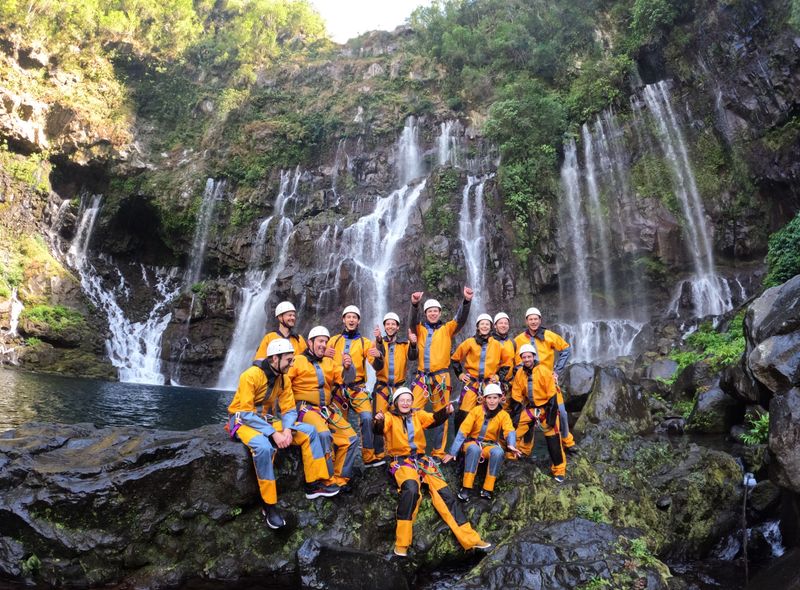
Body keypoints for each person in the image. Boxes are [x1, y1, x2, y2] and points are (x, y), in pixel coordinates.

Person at [226, 338, 338, 531]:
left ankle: (313, 484)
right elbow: (245, 413)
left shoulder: (283, 378)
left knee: (309, 431)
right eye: (288, 359)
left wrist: (286, 430)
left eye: (292, 359)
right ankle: (268, 506)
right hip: (242, 420)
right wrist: (273, 434)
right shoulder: (250, 376)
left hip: (265, 419)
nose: (292, 363)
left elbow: (288, 410)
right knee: (264, 447)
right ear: (274, 359)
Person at [373, 387, 491, 557]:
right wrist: (378, 420)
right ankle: (402, 543)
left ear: (412, 402)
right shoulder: (389, 417)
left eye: (408, 400)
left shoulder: (417, 414)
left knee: (446, 495)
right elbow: (379, 429)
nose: (405, 403)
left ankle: (471, 539)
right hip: (401, 462)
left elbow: (433, 419)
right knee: (411, 491)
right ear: (395, 402)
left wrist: (446, 411)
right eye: (402, 400)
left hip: (422, 460)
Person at [288, 326, 360, 490]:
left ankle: (340, 478)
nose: (323, 345)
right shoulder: (298, 360)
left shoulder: (329, 362)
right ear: (310, 342)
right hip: (305, 409)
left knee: (351, 438)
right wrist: (286, 412)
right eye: (320, 341)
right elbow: (284, 385)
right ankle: (325, 480)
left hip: (325, 410)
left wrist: (349, 367)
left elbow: (346, 380)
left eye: (326, 342)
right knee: (323, 434)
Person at [409, 287, 472, 458]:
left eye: (435, 311)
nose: (433, 314)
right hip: (422, 376)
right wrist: (414, 304)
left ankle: (438, 451)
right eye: (429, 311)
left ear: (440, 313)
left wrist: (466, 301)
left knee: (442, 413)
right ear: (425, 313)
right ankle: (414, 447)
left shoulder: (447, 329)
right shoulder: (419, 329)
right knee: (412, 410)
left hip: (441, 376)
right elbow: (411, 321)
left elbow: (461, 319)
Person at [327, 305, 386, 468]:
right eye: (348, 317)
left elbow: (377, 365)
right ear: (343, 319)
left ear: (359, 321)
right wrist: (324, 353)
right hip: (338, 390)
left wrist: (379, 354)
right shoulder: (333, 341)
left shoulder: (365, 342)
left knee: (367, 418)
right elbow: (322, 361)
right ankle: (334, 460)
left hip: (358, 388)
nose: (351, 320)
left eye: (354, 317)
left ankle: (368, 456)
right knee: (337, 424)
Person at [513, 307, 577, 455]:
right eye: (530, 319)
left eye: (536, 319)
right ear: (526, 321)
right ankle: (525, 448)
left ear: (540, 320)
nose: (533, 321)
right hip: (529, 384)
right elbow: (513, 361)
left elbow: (566, 349)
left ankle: (567, 441)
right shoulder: (518, 340)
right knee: (527, 416)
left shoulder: (549, 335)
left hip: (548, 382)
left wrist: (557, 371)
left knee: (561, 412)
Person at [443, 383, 519, 501]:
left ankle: (487, 489)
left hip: (489, 445)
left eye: (495, 398)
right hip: (472, 443)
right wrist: (452, 452)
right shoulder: (476, 411)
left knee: (498, 452)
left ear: (500, 399)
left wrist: (511, 444)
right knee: (474, 450)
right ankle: (466, 488)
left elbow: (509, 430)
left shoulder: (503, 415)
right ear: (484, 399)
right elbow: (463, 432)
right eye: (489, 398)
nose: (492, 401)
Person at [508, 344, 566, 482]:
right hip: (531, 408)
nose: (527, 359)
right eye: (524, 357)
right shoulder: (520, 374)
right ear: (521, 359)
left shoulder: (544, 371)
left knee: (553, 440)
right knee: (513, 431)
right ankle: (514, 455)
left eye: (529, 356)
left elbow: (552, 395)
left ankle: (559, 470)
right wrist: (515, 415)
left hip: (546, 408)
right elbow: (516, 395)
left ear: (533, 357)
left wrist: (551, 417)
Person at [450, 313, 513, 432]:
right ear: (477, 327)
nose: (484, 326)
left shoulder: (497, 344)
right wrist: (460, 374)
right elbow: (455, 358)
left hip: (489, 384)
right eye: (482, 324)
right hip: (472, 383)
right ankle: (460, 446)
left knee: (490, 413)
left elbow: (507, 362)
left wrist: (498, 376)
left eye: (487, 324)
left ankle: (487, 442)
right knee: (463, 413)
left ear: (491, 327)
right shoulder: (469, 342)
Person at [373, 312, 418, 455]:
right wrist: (379, 341)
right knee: (379, 419)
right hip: (382, 387)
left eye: (393, 324)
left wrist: (414, 344)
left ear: (398, 327)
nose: (390, 326)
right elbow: (377, 366)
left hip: (399, 388)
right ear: (384, 326)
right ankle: (380, 453)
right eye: (388, 324)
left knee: (398, 419)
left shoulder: (404, 344)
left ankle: (397, 450)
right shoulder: (377, 344)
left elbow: (412, 356)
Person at [491, 311, 517, 406]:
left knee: (508, 411)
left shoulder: (512, 342)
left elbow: (515, 363)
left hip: (509, 383)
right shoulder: (489, 341)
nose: (503, 325)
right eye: (500, 323)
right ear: (495, 325)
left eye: (506, 323)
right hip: (493, 383)